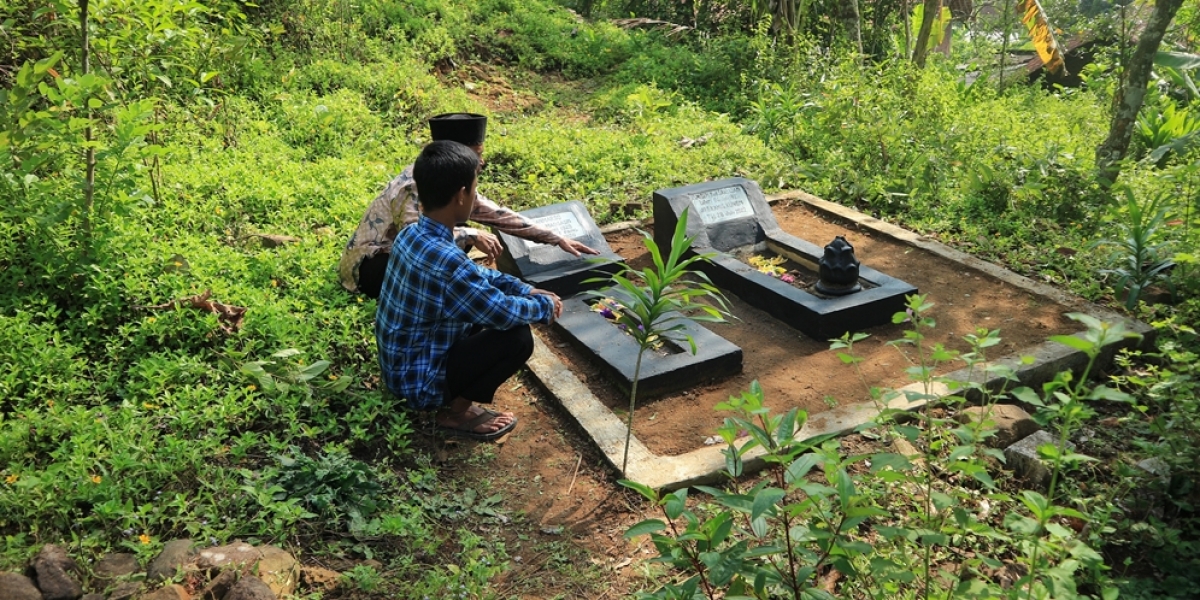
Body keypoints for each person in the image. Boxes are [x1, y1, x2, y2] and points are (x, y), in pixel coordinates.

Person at [376, 140, 563, 440]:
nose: (476, 195)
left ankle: (455, 399)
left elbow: (479, 277)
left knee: (486, 311)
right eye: (475, 188)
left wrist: (526, 290)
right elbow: (500, 312)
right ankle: (457, 413)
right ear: (462, 195)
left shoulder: (413, 233)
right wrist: (543, 307)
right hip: (417, 382)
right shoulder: (447, 259)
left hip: (401, 365)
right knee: (516, 338)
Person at [339, 112, 598, 298]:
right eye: (477, 154)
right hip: (374, 267)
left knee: (456, 227)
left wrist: (556, 238)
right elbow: (416, 243)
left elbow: (496, 214)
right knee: (456, 237)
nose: (482, 162)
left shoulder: (451, 180)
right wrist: (471, 234)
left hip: (406, 257)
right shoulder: (413, 185)